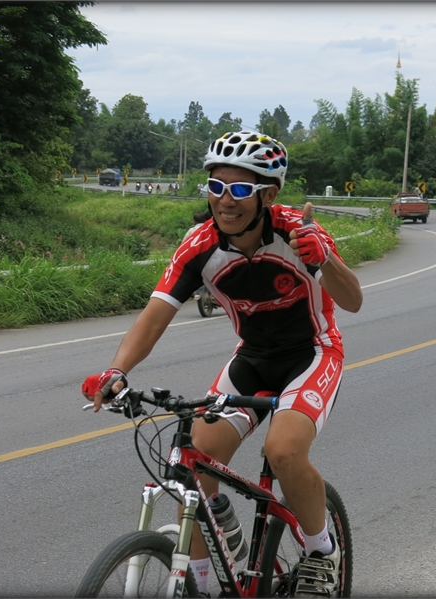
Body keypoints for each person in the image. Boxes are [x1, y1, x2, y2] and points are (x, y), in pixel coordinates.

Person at [81, 130, 362, 596]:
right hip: (251, 358)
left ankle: (321, 552)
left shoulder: (298, 233)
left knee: (283, 451)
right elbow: (153, 318)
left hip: (312, 354)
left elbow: (352, 301)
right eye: (216, 187)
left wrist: (326, 258)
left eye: (240, 189)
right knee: (193, 468)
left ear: (268, 195)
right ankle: (202, 584)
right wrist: (117, 371)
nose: (225, 200)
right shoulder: (199, 245)